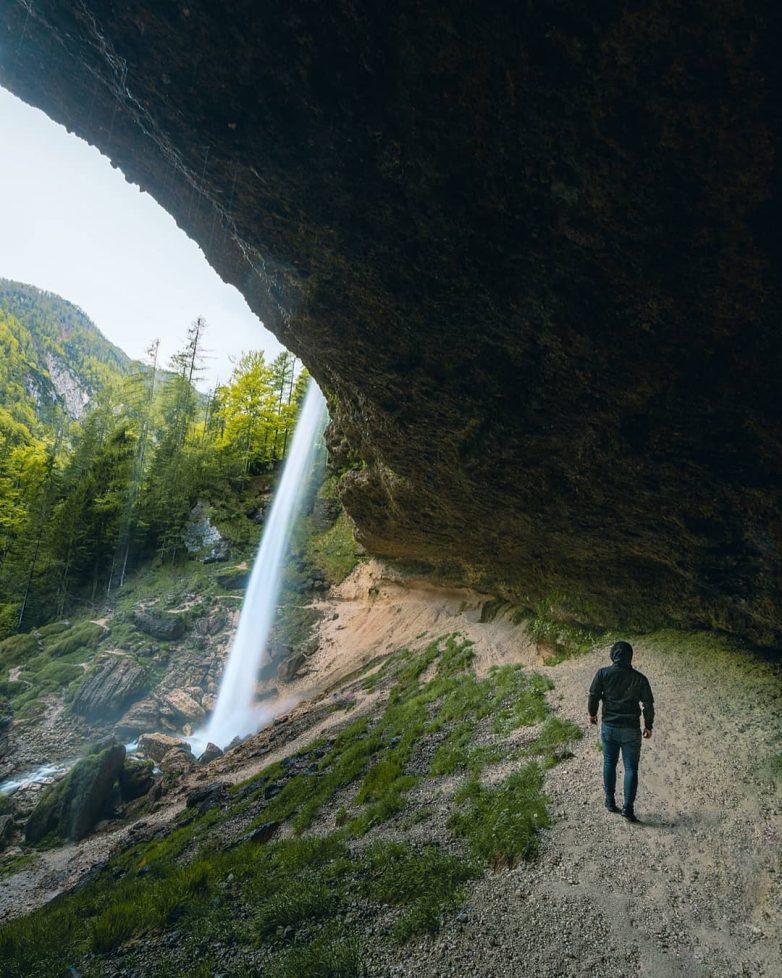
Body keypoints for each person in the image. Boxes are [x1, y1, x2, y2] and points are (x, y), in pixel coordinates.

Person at [588, 640, 654, 822]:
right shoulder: (640, 678)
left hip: (609, 726)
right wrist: (648, 725)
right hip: (631, 729)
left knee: (609, 763)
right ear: (630, 656)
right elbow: (648, 704)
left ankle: (610, 801)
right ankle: (628, 808)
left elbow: (593, 695)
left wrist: (592, 714)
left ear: (612, 655)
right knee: (631, 768)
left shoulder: (603, 674)